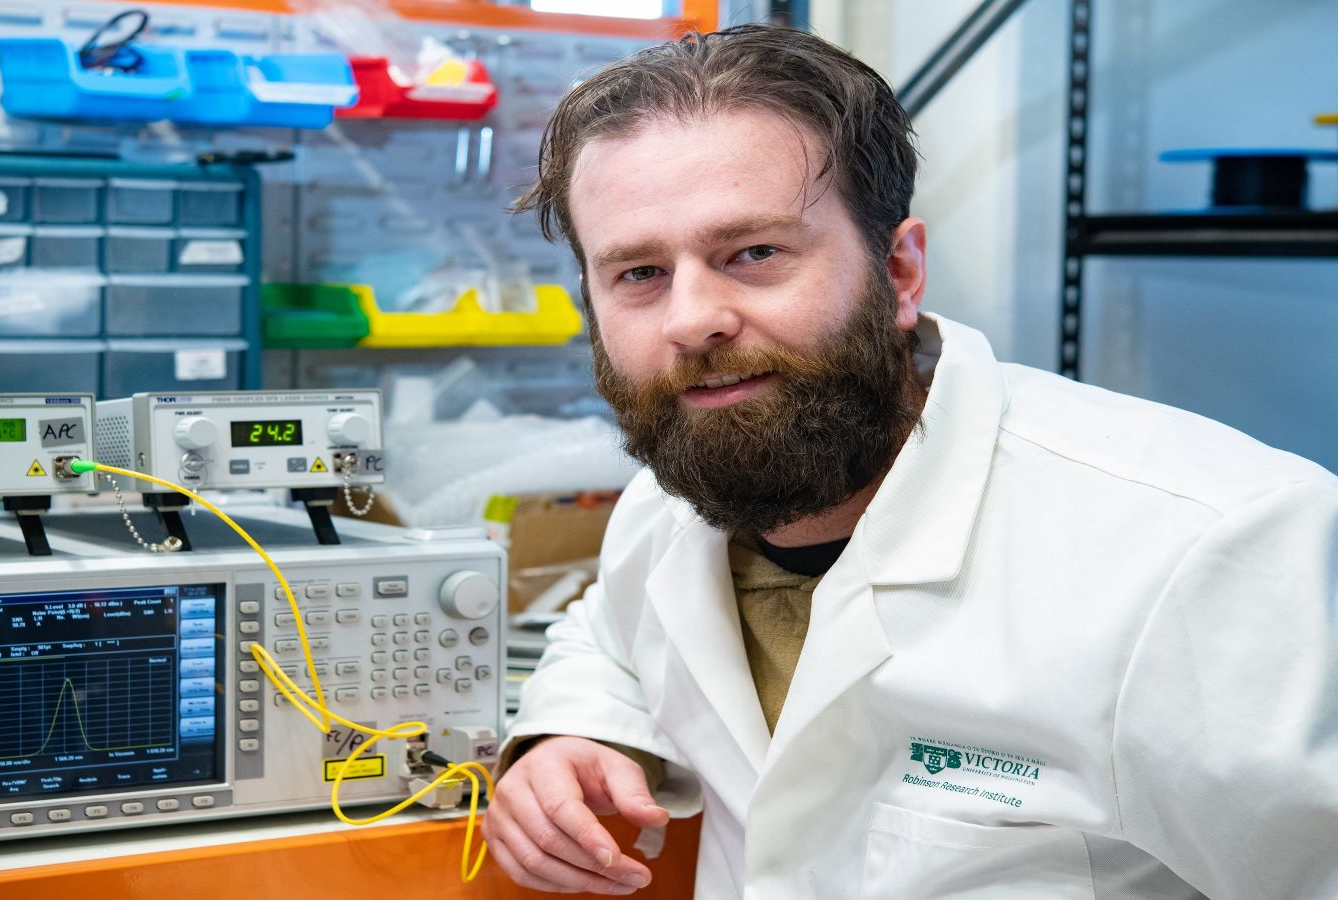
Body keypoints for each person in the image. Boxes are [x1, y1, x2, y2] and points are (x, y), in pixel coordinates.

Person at [482, 23, 1338, 899]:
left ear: (899, 270)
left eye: (754, 253)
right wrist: (573, 731)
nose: (692, 318)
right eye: (639, 273)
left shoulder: (1205, 549)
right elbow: (610, 631)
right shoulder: (677, 497)